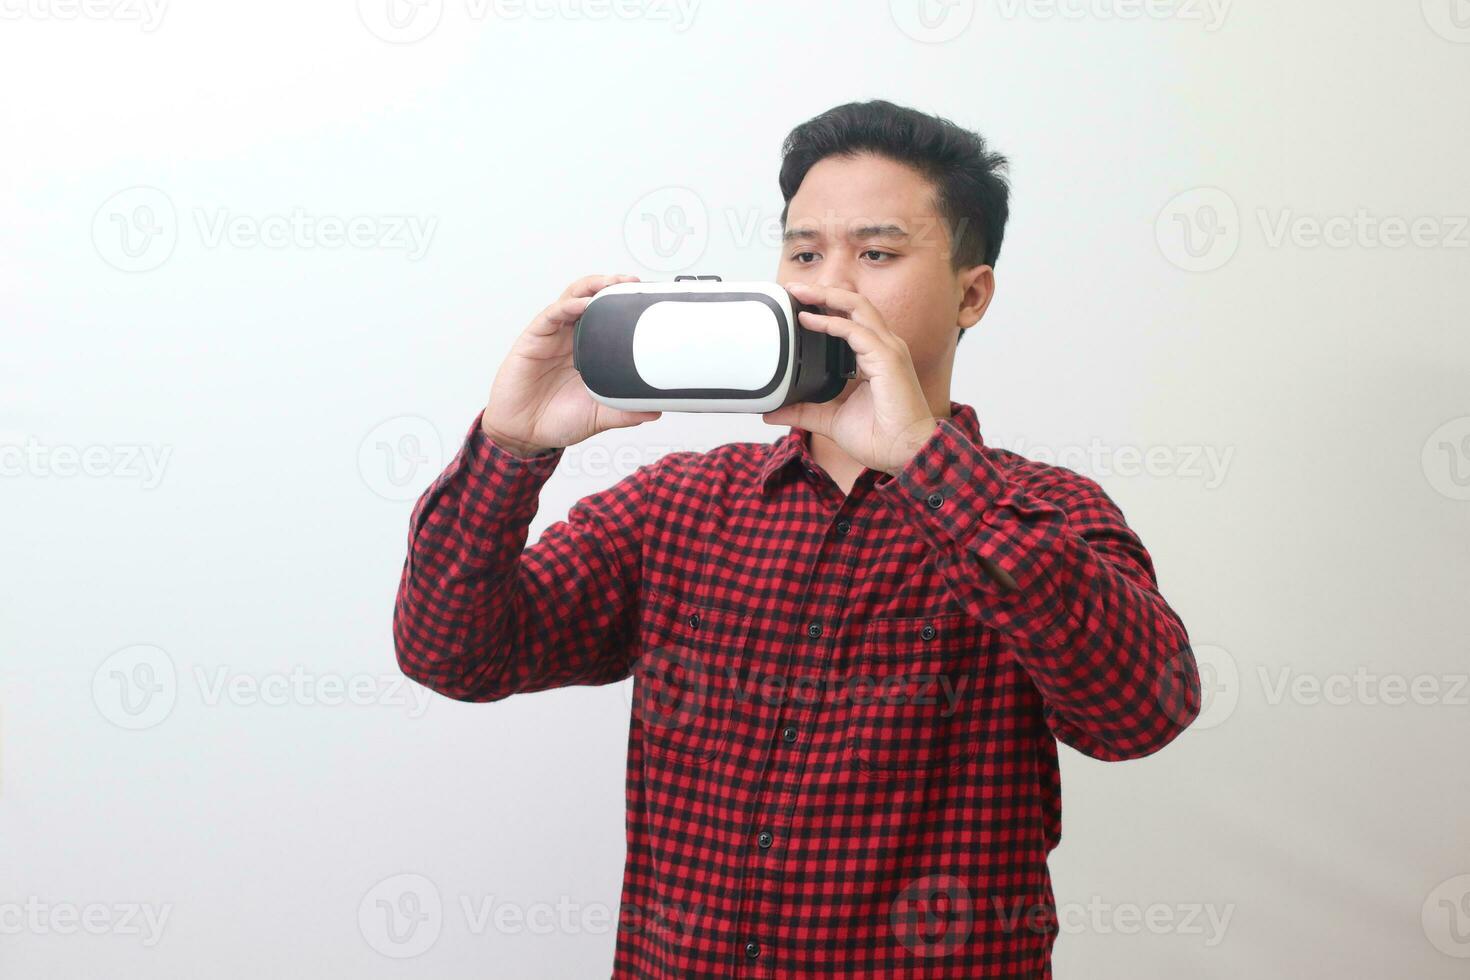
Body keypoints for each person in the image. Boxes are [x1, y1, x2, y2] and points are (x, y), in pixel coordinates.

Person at [393, 98, 1201, 979]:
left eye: (878, 252)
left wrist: (924, 465)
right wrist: (512, 447)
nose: (831, 284)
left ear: (973, 292)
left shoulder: (1039, 512)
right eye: (805, 252)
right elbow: (454, 654)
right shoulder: (682, 506)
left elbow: (1142, 714)